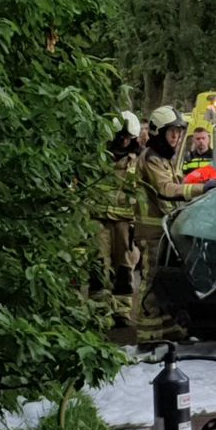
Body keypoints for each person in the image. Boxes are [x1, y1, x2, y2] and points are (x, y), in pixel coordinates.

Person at [134, 105, 216, 340]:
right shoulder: (151, 158)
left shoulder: (164, 157)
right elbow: (166, 189)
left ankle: (166, 326)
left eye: (179, 131)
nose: (176, 136)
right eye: (171, 131)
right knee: (151, 279)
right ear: (158, 132)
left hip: (163, 229)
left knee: (164, 279)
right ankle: (147, 334)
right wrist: (203, 188)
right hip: (151, 230)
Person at [95, 110, 143, 328]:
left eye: (127, 138)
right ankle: (97, 311)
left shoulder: (138, 160)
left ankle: (121, 311)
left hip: (125, 223)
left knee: (124, 267)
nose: (123, 141)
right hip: (98, 219)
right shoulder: (97, 157)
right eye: (120, 137)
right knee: (97, 264)